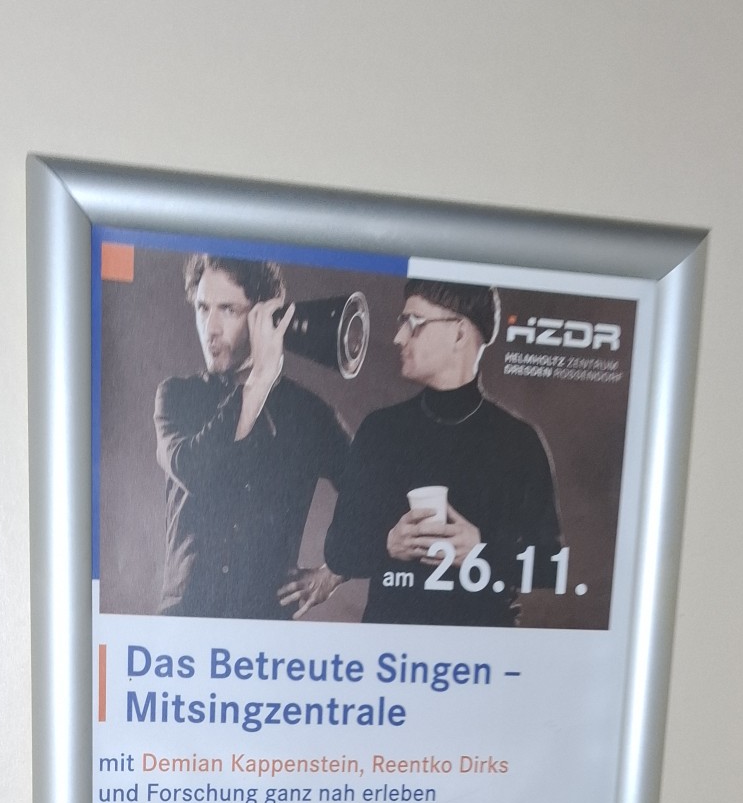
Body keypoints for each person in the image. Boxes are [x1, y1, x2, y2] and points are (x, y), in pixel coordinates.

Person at [291, 281, 561, 626]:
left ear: (459, 334)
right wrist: (388, 543)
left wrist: (482, 549)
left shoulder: (520, 441)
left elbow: (551, 565)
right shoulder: (381, 430)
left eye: (413, 323)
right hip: (390, 646)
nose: (398, 337)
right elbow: (339, 552)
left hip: (484, 648)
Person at [154, 255, 350, 619]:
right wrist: (259, 381)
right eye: (202, 308)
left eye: (228, 310)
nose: (210, 328)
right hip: (182, 626)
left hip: (264, 632)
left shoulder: (310, 413)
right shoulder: (176, 396)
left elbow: (375, 497)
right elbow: (194, 471)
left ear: (268, 318)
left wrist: (334, 573)